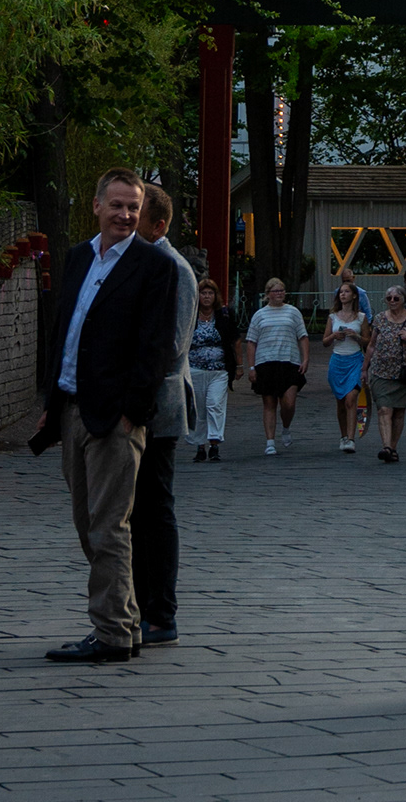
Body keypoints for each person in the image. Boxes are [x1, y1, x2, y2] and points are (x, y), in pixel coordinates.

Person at [36, 167, 174, 665]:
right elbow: (63, 334)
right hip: (73, 408)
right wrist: (50, 405)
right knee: (86, 523)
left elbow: (154, 349)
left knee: (108, 526)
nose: (125, 215)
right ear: (95, 205)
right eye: (116, 205)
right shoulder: (76, 258)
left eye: (133, 207)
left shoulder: (152, 267)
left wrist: (131, 414)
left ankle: (112, 633)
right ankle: (128, 621)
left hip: (116, 418)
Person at [128, 186, 196, 647]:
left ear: (158, 226)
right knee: (135, 512)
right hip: (137, 403)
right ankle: (140, 605)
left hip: (160, 405)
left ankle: (161, 612)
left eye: (137, 218)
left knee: (156, 508)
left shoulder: (174, 270)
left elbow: (173, 344)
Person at [242, 278, 309, 454]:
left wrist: (306, 358)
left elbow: (303, 336)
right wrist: (251, 367)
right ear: (268, 294)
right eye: (276, 291)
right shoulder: (260, 315)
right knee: (269, 403)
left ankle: (286, 427)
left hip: (289, 361)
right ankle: (270, 441)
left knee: (289, 402)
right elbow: (251, 342)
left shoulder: (293, 312)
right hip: (266, 362)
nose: (279, 294)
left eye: (282, 290)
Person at [364, 283, 406, 462]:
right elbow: (371, 345)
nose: (392, 301)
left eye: (396, 298)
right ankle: (385, 446)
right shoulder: (379, 319)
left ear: (403, 300)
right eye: (389, 298)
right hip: (381, 371)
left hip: (405, 372)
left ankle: (392, 448)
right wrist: (364, 368)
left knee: (399, 411)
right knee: (384, 409)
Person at [188, 276, 241, 462]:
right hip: (194, 369)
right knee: (198, 408)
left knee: (214, 404)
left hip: (219, 370)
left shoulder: (223, 315)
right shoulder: (190, 315)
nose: (207, 297)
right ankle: (199, 446)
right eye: (203, 293)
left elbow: (235, 340)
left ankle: (214, 443)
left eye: (210, 293)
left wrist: (239, 365)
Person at [323, 281, 369, 450]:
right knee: (341, 401)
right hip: (337, 361)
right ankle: (343, 435)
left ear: (354, 295)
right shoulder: (333, 317)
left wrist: (355, 336)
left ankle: (351, 438)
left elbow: (368, 340)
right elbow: (325, 341)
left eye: (346, 292)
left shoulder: (361, 317)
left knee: (351, 399)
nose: (343, 295)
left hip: (355, 360)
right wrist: (335, 335)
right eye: (341, 292)